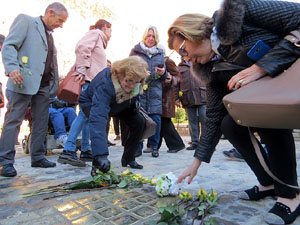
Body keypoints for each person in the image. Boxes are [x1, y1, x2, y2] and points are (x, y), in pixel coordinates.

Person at [167, 0, 300, 224]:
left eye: (183, 50)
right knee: (229, 124)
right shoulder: (211, 69)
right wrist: (196, 162)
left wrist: (261, 68)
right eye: (181, 56)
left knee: (264, 115)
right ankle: (268, 183)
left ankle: (291, 194)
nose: (186, 59)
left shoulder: (239, 12)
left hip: (291, 84)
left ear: (192, 31)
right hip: (267, 98)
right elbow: (213, 116)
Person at [0, 2, 68, 177]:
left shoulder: (49, 34)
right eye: (60, 20)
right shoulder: (26, 21)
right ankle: (5, 161)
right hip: (22, 80)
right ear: (50, 12)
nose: (61, 25)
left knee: (41, 122)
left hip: (44, 86)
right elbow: (9, 46)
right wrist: (12, 67)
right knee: (13, 121)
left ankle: (38, 156)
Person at [79, 56, 147, 175]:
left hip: (118, 103)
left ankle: (129, 158)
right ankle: (97, 163)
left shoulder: (136, 82)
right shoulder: (105, 83)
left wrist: (134, 103)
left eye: (136, 82)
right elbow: (98, 119)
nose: (132, 86)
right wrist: (101, 155)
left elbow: (134, 94)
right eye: (129, 81)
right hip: (92, 102)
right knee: (102, 122)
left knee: (138, 121)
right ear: (120, 74)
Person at [58, 19, 112, 167]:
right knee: (83, 114)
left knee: (89, 116)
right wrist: (82, 68)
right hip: (89, 81)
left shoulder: (100, 40)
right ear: (105, 27)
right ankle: (68, 150)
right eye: (110, 30)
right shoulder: (96, 33)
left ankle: (86, 149)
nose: (111, 34)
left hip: (93, 83)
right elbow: (82, 47)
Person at [129, 25, 167, 158]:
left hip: (155, 91)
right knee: (139, 119)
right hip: (140, 91)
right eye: (148, 36)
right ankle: (138, 147)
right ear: (144, 37)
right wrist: (141, 73)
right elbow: (128, 70)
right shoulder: (135, 52)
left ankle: (153, 146)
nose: (151, 38)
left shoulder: (161, 53)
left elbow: (165, 74)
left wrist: (163, 73)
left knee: (156, 119)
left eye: (153, 36)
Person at [177, 58, 207, 151]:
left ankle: (206, 142)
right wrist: (176, 98)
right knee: (192, 121)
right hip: (188, 97)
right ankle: (195, 142)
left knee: (204, 119)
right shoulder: (179, 67)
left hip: (203, 95)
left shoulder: (201, 62)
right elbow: (176, 84)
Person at [157, 56, 185, 153]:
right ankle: (155, 145)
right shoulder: (152, 61)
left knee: (164, 121)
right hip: (157, 96)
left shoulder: (167, 61)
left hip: (166, 97)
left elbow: (178, 77)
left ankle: (177, 144)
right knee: (159, 121)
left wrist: (171, 78)